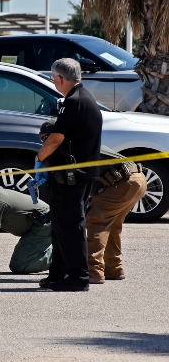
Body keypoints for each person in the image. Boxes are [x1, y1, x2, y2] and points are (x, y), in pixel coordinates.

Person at [40, 118, 146, 284]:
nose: (44, 143)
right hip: (135, 180)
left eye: (45, 138)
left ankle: (94, 271)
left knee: (96, 221)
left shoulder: (71, 146)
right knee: (113, 225)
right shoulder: (79, 142)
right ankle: (114, 268)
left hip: (123, 182)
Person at [36, 58, 103, 292]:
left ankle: (78, 277)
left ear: (60, 78)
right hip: (73, 175)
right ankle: (58, 273)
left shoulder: (73, 101)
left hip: (72, 176)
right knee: (61, 226)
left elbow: (55, 138)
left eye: (53, 78)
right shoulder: (82, 98)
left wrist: (39, 158)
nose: (53, 82)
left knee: (70, 226)